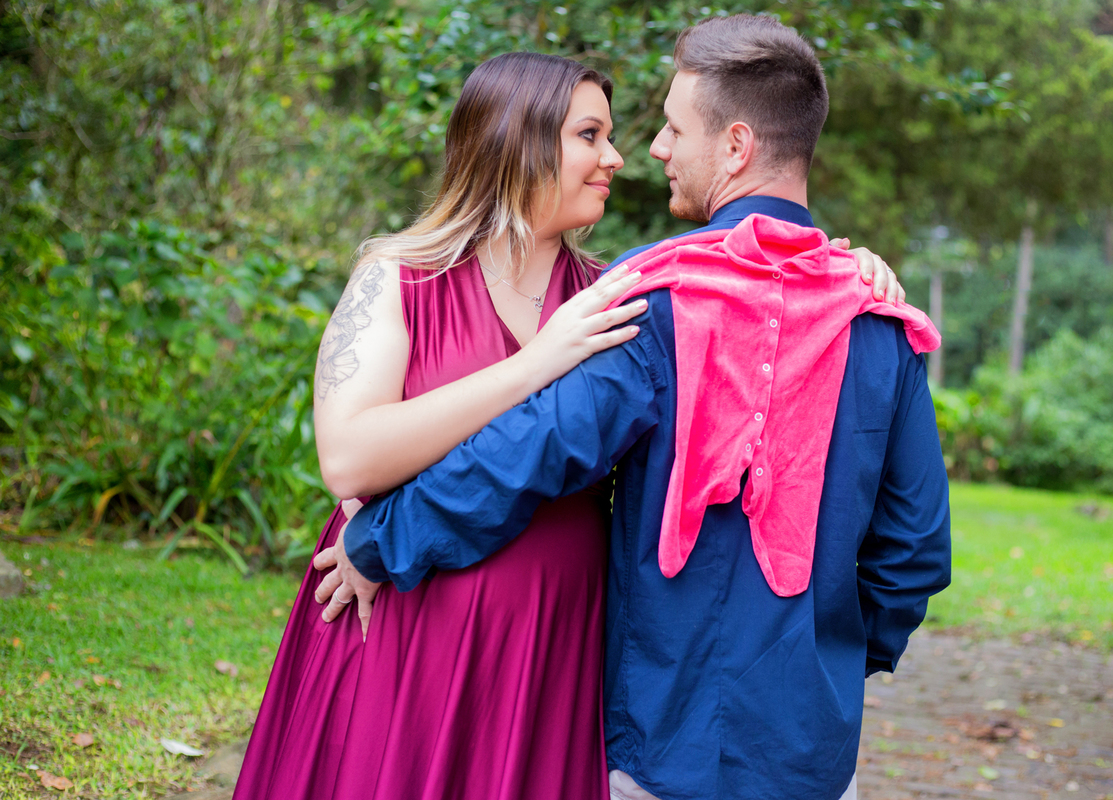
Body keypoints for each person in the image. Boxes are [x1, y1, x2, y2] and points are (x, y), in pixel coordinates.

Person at [235, 50, 904, 800]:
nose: (617, 157)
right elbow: (348, 461)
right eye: (591, 135)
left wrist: (846, 272)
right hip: (407, 613)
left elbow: (748, 326)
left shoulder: (621, 296)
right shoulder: (399, 275)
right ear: (518, 141)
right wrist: (532, 365)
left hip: (555, 641)